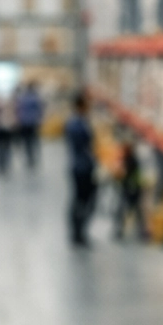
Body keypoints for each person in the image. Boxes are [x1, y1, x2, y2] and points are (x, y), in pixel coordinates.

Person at [65, 89, 97, 247]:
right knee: (81, 200)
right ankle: (77, 233)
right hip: (81, 168)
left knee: (83, 200)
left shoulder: (80, 121)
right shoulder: (76, 123)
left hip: (81, 165)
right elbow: (84, 145)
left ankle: (79, 232)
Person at [115, 139, 145, 240]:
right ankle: (140, 232)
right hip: (132, 188)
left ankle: (121, 231)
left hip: (131, 189)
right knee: (134, 211)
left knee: (125, 210)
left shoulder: (130, 161)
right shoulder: (131, 159)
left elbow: (123, 174)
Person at [14, 79, 43, 169]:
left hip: (24, 122)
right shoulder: (35, 97)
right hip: (32, 122)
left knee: (27, 141)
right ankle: (32, 158)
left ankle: (29, 158)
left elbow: (18, 110)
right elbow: (39, 110)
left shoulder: (23, 97)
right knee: (33, 140)